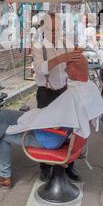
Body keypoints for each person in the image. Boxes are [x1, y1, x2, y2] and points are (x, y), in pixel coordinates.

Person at [0, 56, 103, 189]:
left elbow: (54, 125)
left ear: (76, 68)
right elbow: (67, 117)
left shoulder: (73, 93)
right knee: (6, 115)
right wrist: (36, 115)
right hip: (63, 135)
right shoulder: (90, 88)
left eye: (67, 67)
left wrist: (35, 118)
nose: (65, 71)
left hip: (51, 138)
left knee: (3, 133)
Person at [32, 12, 83, 182]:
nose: (55, 32)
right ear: (44, 28)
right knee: (46, 129)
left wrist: (76, 57)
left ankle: (68, 164)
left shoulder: (65, 43)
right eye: (51, 28)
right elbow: (40, 69)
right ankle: (45, 166)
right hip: (46, 93)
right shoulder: (38, 45)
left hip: (64, 90)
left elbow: (71, 65)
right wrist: (61, 58)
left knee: (68, 129)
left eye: (57, 28)